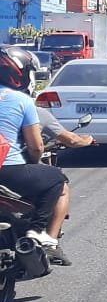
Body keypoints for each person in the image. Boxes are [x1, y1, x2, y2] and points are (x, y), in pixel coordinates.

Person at [0, 45, 72, 265]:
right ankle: (41, 233)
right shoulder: (22, 101)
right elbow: (36, 147)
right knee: (57, 178)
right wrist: (34, 161)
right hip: (8, 171)